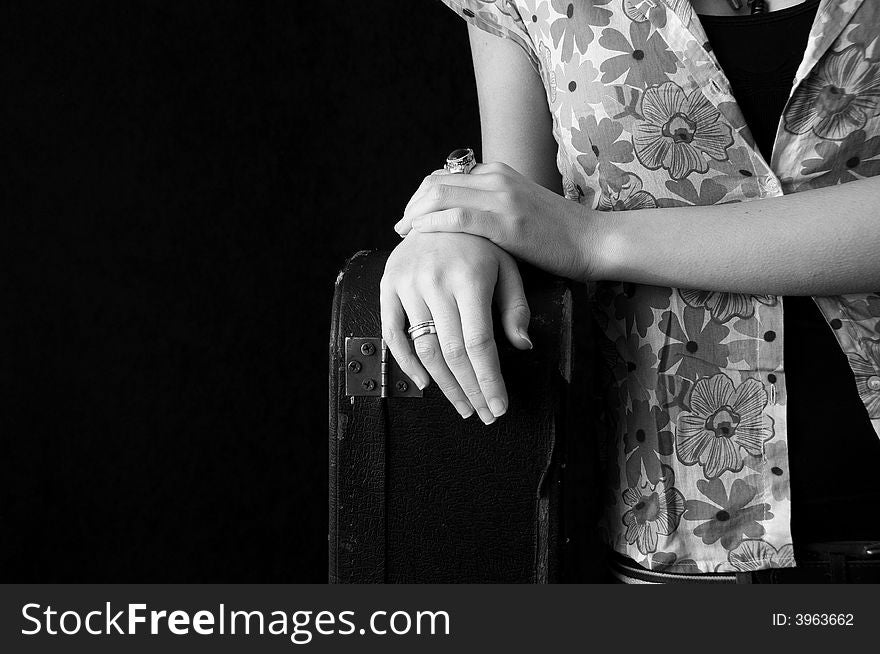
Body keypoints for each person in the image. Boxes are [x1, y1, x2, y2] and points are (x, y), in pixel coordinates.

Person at [380, 0, 880, 582]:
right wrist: (450, 231)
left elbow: (564, 231)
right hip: (679, 550)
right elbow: (523, 209)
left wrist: (597, 239)